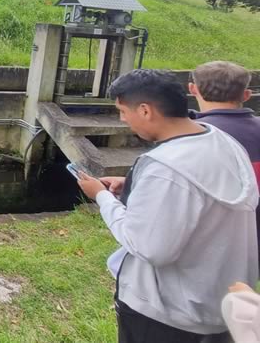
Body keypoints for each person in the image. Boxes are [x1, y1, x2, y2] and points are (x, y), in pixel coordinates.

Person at [77, 69, 259, 342]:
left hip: (167, 315)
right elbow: (196, 194)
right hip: (220, 306)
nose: (123, 120)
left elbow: (148, 247)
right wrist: (136, 185)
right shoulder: (223, 142)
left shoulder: (165, 168)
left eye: (123, 112)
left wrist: (101, 198)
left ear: (145, 110)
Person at [189, 61, 260, 262]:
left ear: (192, 89)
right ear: (246, 95)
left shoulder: (191, 136)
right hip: (254, 238)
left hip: (209, 245)